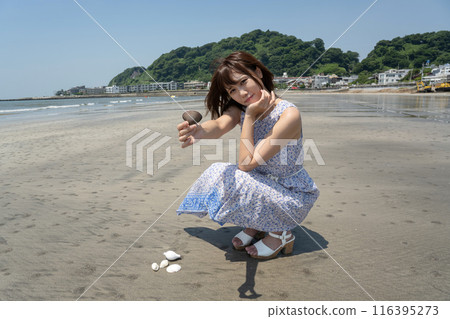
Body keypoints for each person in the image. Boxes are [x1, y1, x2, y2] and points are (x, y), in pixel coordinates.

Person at [176, 51, 319, 260]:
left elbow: (246, 164)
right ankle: (257, 225)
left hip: (292, 196)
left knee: (233, 173)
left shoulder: (288, 114)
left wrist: (250, 116)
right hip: (264, 186)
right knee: (221, 172)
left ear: (258, 73)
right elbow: (219, 125)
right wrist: (199, 132)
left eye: (244, 82)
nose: (241, 93)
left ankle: (282, 234)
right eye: (233, 90)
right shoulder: (240, 108)